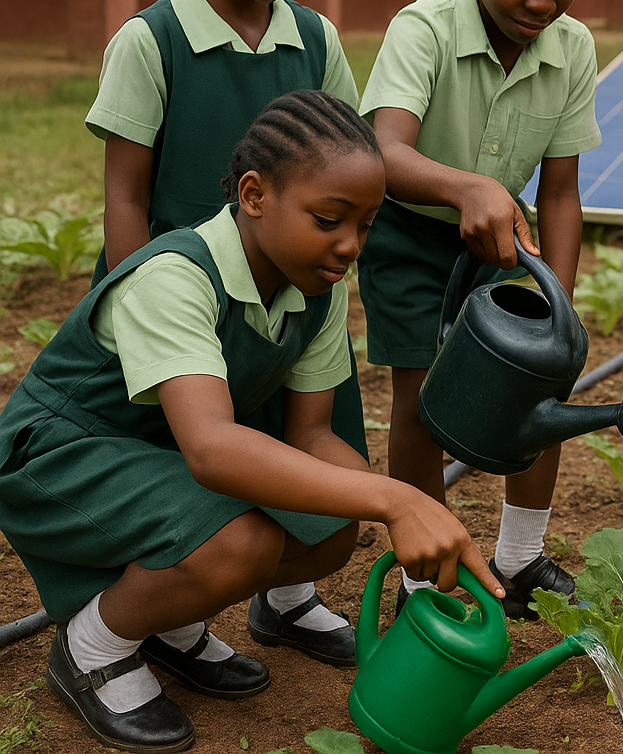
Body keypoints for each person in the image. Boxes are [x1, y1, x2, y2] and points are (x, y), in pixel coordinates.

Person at [0, 92, 504, 753]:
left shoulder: (314, 289)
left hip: (151, 458)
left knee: (329, 529)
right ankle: (93, 646)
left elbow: (311, 436)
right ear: (254, 194)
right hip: (57, 459)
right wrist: (398, 496)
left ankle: (168, 623)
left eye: (367, 225)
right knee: (239, 544)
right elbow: (211, 449)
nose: (350, 245)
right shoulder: (176, 276)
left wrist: (394, 513)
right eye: (329, 219)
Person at [82, 0, 365, 664]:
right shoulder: (152, 42)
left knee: (308, 448)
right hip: (188, 309)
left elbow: (350, 174)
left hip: (292, 301)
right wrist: (147, 309)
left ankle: (286, 597)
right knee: (197, 464)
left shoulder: (313, 40)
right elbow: (126, 195)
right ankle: (166, 614)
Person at [357, 0, 600, 617]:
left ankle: (520, 559)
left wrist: (556, 299)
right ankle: (422, 581)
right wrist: (467, 186)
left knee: (541, 384)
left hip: (502, 246)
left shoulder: (573, 50)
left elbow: (560, 192)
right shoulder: (421, 30)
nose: (543, 1)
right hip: (411, 234)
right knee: (421, 404)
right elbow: (384, 154)